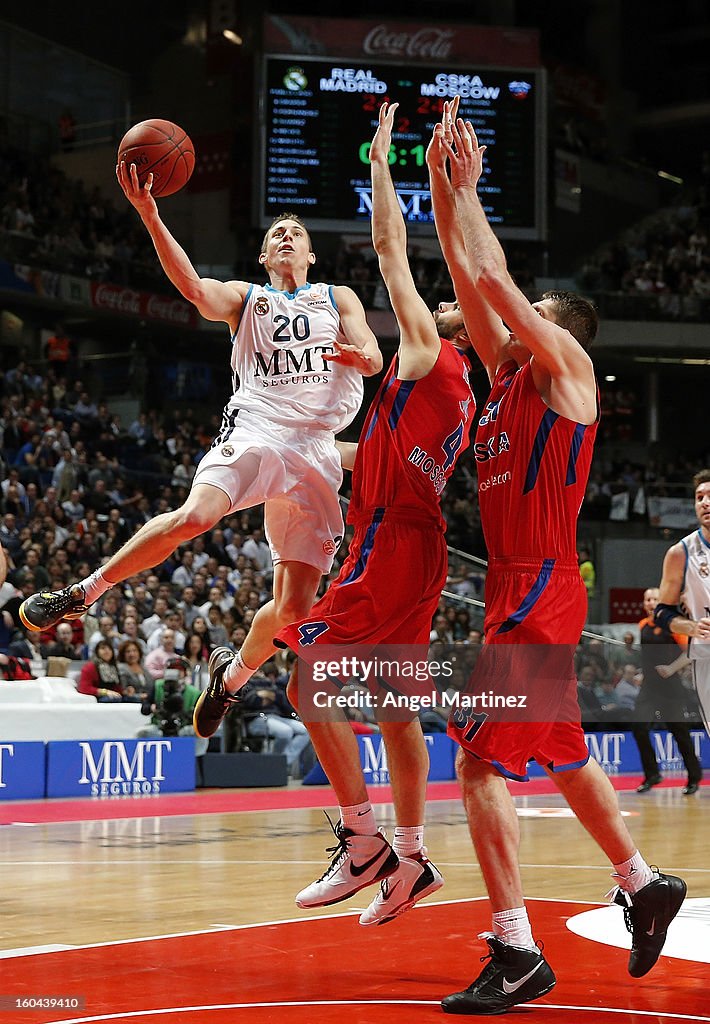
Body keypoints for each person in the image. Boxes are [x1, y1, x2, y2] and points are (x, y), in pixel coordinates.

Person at [431, 101, 685, 1014]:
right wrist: (437, 188)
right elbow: (471, 275)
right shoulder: (504, 383)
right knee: (567, 755)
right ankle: (644, 881)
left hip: (538, 587)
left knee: (476, 764)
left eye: (529, 317)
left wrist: (470, 190)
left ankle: (517, 948)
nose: (508, 320)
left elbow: (491, 275)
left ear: (557, 329)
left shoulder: (567, 373)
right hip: (520, 588)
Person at [213, 101, 474, 923]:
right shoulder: (464, 393)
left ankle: (363, 843)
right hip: (421, 543)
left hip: (388, 545)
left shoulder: (429, 357)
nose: (425, 309)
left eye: (438, 310)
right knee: (398, 712)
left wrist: (384, 161)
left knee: (307, 683)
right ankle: (415, 862)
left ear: (449, 329)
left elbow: (394, 249)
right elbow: (366, 457)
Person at [19, 170, 382, 708]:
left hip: (318, 448)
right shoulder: (247, 298)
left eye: (295, 234)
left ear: (311, 256)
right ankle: (84, 593)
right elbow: (192, 287)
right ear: (262, 257)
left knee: (294, 608)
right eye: (275, 234)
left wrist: (363, 357)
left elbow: (374, 355)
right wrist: (150, 213)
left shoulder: (338, 297)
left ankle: (230, 679)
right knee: (196, 517)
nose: (285, 237)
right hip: (259, 426)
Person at [654, 468, 710, 736]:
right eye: (699, 497)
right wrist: (691, 628)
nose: (705, 502)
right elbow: (662, 613)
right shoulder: (681, 553)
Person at [633, 587, 702, 795]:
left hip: (670, 688)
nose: (651, 603)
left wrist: (671, 668)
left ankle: (693, 777)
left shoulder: (674, 626)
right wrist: (643, 674)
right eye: (648, 600)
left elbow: (691, 652)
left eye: (655, 599)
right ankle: (652, 774)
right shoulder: (643, 625)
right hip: (649, 688)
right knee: (639, 726)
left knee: (679, 732)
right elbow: (649, 657)